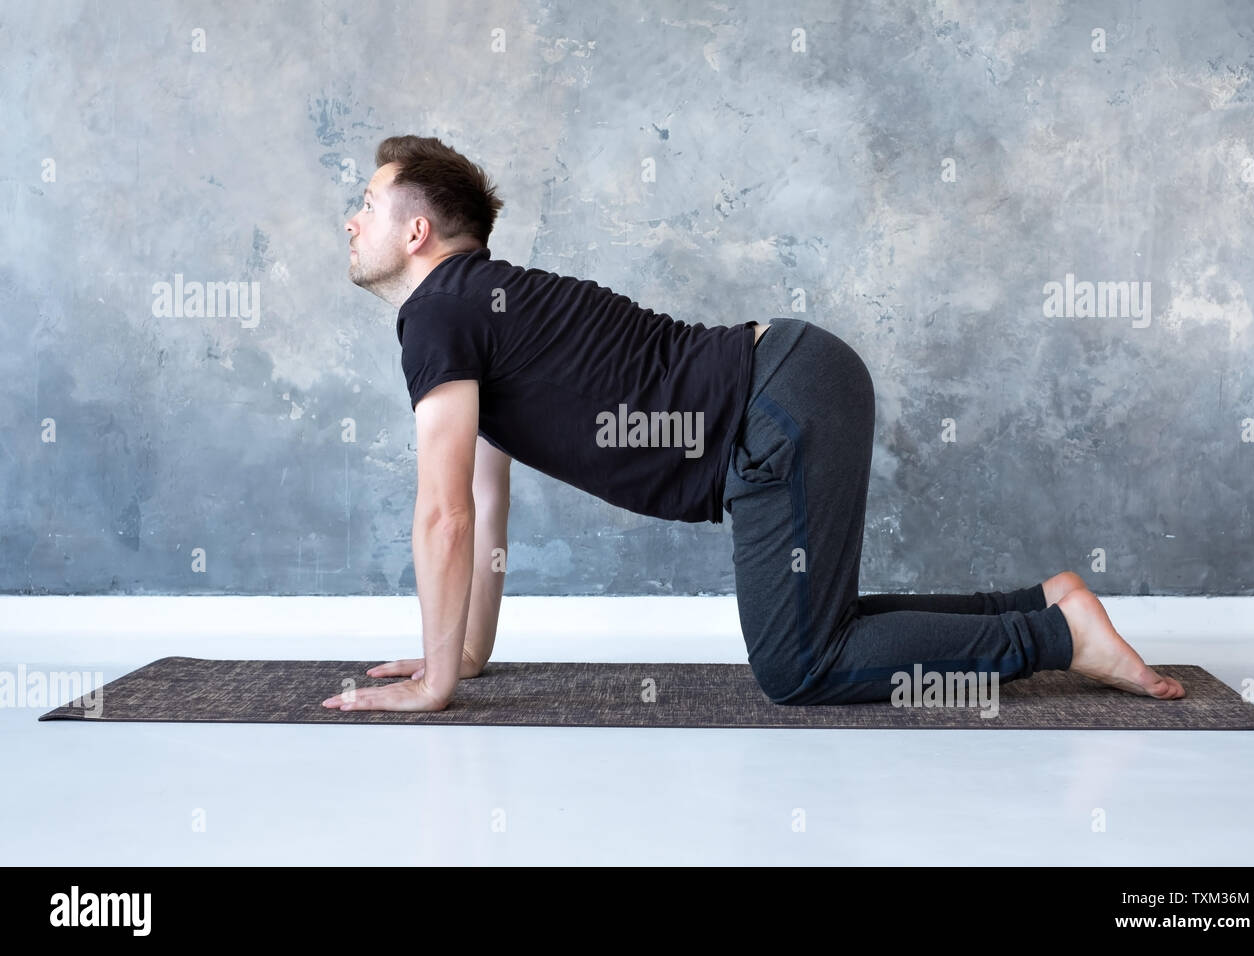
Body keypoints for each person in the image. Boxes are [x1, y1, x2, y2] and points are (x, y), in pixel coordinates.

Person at [322, 135, 1184, 713]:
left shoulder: (442, 313)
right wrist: (460, 659)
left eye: (367, 201)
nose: (352, 219)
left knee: (798, 666)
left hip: (775, 406)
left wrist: (432, 686)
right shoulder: (481, 309)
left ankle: (1056, 637)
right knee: (820, 625)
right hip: (793, 383)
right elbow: (482, 494)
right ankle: (1044, 605)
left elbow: (444, 517)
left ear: (419, 230)